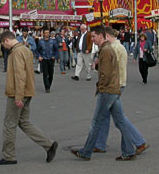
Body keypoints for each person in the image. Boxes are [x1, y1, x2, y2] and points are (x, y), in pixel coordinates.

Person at [71, 26, 137, 161]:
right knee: (120, 122)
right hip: (113, 88)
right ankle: (129, 150)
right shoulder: (108, 49)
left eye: (94, 36)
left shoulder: (106, 50)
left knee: (96, 122)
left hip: (107, 90)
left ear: (101, 36)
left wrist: (100, 87)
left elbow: (105, 74)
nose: (92, 39)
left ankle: (86, 151)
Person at [0, 30, 58, 165]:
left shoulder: (16, 52)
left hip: (18, 92)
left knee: (9, 124)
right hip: (28, 91)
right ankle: (48, 144)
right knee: (24, 122)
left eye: (3, 44)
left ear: (6, 40)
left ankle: (9, 156)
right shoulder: (26, 50)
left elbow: (19, 75)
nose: (4, 48)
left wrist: (18, 96)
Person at [94, 28, 149, 155]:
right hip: (117, 83)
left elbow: (109, 69)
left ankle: (138, 142)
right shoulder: (118, 47)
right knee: (109, 116)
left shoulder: (112, 49)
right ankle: (100, 144)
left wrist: (98, 65)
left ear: (106, 36)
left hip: (113, 85)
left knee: (116, 118)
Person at [37, 28, 59, 93]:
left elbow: (56, 50)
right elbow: (37, 50)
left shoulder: (53, 41)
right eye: (46, 33)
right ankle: (47, 87)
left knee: (51, 73)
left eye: (48, 33)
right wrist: (39, 56)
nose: (47, 34)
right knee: (45, 73)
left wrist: (55, 56)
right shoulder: (41, 42)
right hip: (44, 59)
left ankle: (49, 83)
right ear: (43, 34)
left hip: (51, 59)